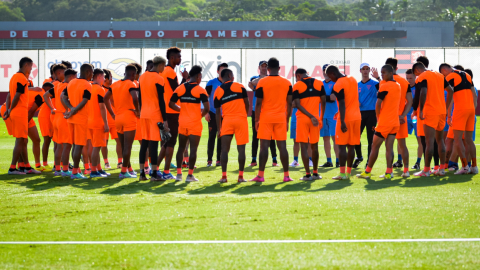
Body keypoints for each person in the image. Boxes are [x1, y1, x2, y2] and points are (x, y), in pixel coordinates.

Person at [250, 57, 293, 182]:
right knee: (282, 147)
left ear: (268, 69)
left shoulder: (262, 82)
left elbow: (258, 104)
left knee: (263, 147)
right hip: (281, 118)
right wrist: (287, 120)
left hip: (265, 118)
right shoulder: (287, 83)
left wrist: (256, 120)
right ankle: (286, 176)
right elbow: (289, 104)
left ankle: (260, 176)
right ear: (279, 68)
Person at [357, 65, 401, 179]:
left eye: (383, 73)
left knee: (374, 146)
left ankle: (367, 171)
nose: (382, 75)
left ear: (391, 73)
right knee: (389, 147)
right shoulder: (397, 85)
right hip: (395, 122)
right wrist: (379, 78)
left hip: (385, 122)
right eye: (381, 73)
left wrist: (378, 117)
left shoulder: (385, 85)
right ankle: (388, 172)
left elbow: (378, 103)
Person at [412, 61, 453, 177]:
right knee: (440, 141)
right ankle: (442, 169)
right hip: (441, 112)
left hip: (430, 112)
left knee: (429, 142)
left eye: (415, 74)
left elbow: (423, 92)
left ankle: (426, 171)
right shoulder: (439, 75)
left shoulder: (422, 76)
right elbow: (451, 90)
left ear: (417, 71)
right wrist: (445, 107)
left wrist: (420, 110)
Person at [169, 65, 209, 182]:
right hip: (195, 123)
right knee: (193, 150)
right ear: (197, 76)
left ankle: (179, 175)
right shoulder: (200, 90)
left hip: (182, 122)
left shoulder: (180, 88)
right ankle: (190, 175)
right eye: (200, 76)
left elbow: (171, 104)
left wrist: (181, 110)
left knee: (181, 148)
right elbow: (207, 108)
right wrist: (199, 116)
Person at [4, 57, 40, 175]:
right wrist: (10, 109)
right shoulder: (22, 78)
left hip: (17, 112)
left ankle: (26, 167)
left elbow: (10, 95)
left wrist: (9, 109)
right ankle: (13, 168)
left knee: (23, 140)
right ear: (26, 65)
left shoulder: (14, 77)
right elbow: (17, 96)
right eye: (31, 66)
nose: (31, 69)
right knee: (20, 140)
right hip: (19, 113)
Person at [440, 63, 477, 174]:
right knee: (469, 139)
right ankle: (474, 167)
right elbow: (474, 93)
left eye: (443, 74)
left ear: (444, 70)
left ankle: (465, 166)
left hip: (460, 110)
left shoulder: (450, 76)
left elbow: (450, 95)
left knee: (457, 139)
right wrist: (473, 107)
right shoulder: (467, 75)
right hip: (471, 110)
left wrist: (448, 114)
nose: (443, 77)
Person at [104, 64, 140, 178]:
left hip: (118, 117)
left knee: (124, 146)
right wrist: (138, 111)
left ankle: (128, 168)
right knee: (128, 147)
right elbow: (135, 98)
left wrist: (112, 114)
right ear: (133, 74)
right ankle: (124, 172)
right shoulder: (131, 83)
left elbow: (105, 98)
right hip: (129, 116)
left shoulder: (115, 84)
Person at [214, 68, 250, 183]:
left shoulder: (218, 91)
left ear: (221, 77)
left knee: (224, 150)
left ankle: (224, 177)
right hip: (241, 120)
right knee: (241, 150)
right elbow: (247, 103)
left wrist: (219, 128)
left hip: (227, 121)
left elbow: (217, 112)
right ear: (230, 75)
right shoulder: (240, 86)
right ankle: (240, 177)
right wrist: (243, 115)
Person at [158, 47, 188, 180]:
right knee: (171, 142)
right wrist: (185, 79)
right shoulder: (169, 72)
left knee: (166, 142)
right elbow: (177, 90)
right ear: (171, 58)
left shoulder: (164, 71)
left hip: (166, 110)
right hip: (171, 110)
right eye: (178, 57)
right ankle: (166, 172)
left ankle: (156, 169)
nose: (180, 59)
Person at [326, 65, 361, 180]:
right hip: (357, 117)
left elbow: (341, 103)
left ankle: (341, 174)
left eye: (330, 78)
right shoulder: (353, 79)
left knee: (341, 146)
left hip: (346, 118)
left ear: (332, 74)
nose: (331, 80)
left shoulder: (338, 84)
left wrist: (342, 121)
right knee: (351, 146)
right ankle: (348, 173)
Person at [292, 68, 326, 181]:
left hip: (302, 119)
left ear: (298, 76)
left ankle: (307, 174)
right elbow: (324, 101)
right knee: (314, 146)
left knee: (304, 147)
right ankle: (315, 173)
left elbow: (297, 104)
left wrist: (310, 116)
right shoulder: (319, 83)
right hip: (316, 120)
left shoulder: (297, 85)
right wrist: (319, 117)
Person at [138, 56, 168, 181]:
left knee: (144, 143)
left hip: (144, 114)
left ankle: (142, 174)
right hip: (154, 115)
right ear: (160, 65)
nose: (164, 68)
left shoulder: (142, 76)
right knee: (154, 144)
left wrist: (141, 111)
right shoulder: (159, 78)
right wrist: (165, 119)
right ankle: (154, 174)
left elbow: (140, 96)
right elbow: (161, 100)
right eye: (164, 66)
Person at [61, 63, 94, 179]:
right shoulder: (87, 85)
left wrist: (70, 108)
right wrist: (74, 109)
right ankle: (75, 171)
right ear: (88, 72)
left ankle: (75, 170)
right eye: (92, 73)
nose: (92, 75)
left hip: (71, 119)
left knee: (74, 146)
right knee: (78, 146)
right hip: (80, 118)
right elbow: (85, 100)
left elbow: (62, 97)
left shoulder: (71, 82)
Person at [44, 68, 77, 176]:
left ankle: (58, 169)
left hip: (56, 117)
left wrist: (52, 108)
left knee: (59, 145)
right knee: (67, 145)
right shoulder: (68, 86)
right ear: (71, 77)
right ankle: (66, 170)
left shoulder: (57, 85)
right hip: (64, 117)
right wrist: (68, 109)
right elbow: (64, 98)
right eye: (75, 77)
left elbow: (45, 96)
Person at [383, 58, 413, 177]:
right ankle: (406, 171)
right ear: (396, 68)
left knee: (388, 146)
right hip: (400, 119)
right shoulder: (404, 82)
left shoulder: (384, 82)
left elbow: (380, 102)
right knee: (402, 145)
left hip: (388, 119)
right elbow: (410, 101)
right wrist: (403, 115)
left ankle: (389, 172)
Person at [248, 60, 278, 167]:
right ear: (259, 68)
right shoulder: (254, 77)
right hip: (257, 110)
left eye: (266, 66)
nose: (264, 68)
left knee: (271, 135)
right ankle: (253, 159)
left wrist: (261, 82)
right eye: (262, 66)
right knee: (255, 135)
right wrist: (263, 79)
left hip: (268, 109)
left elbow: (256, 85)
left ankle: (274, 159)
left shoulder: (272, 79)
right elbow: (252, 83)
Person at [353, 63, 379, 168]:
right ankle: (359, 156)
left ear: (369, 71)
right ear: (360, 71)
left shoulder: (375, 83)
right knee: (355, 137)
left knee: (371, 139)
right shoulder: (356, 85)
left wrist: (378, 77)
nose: (365, 71)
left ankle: (369, 161)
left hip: (372, 113)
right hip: (359, 113)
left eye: (367, 69)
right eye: (363, 69)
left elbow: (386, 86)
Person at [87, 69, 110, 178]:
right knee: (96, 147)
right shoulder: (100, 89)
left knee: (94, 146)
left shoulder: (88, 86)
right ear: (99, 76)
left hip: (89, 121)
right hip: (97, 122)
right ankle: (94, 171)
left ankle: (98, 169)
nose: (104, 79)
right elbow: (102, 107)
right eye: (103, 77)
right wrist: (106, 123)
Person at [205, 63, 228, 167]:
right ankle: (209, 160)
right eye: (222, 70)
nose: (223, 72)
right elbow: (205, 98)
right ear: (217, 71)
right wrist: (206, 112)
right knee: (212, 136)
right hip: (213, 113)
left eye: (225, 70)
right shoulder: (211, 82)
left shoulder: (229, 84)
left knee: (221, 137)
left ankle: (218, 160)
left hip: (224, 115)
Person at [100, 69, 122, 170]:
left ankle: (120, 162)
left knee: (120, 141)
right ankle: (106, 162)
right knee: (104, 143)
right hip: (103, 121)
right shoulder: (100, 89)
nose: (112, 80)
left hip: (114, 120)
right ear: (105, 78)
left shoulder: (113, 88)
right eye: (110, 77)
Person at [319, 64, 339, 168]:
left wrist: (321, 97)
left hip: (333, 115)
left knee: (335, 138)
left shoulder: (335, 83)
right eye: (324, 71)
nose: (325, 73)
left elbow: (332, 98)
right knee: (325, 138)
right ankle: (329, 161)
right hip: (322, 115)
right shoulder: (320, 84)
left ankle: (338, 160)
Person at [404, 69, 423, 170]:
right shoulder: (404, 87)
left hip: (416, 117)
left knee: (419, 140)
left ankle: (418, 162)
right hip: (406, 116)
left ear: (415, 77)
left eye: (411, 78)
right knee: (400, 139)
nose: (409, 80)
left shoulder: (419, 87)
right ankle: (399, 161)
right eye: (407, 78)